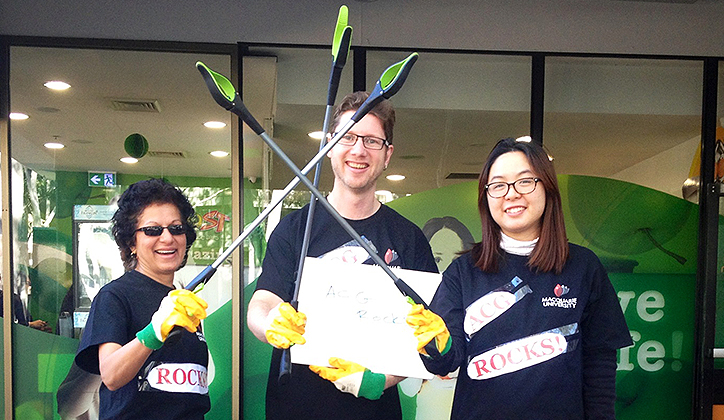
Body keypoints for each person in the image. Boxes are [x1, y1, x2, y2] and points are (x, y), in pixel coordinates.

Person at [406, 137, 632, 420]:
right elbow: (444, 363)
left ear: (547, 188)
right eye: (498, 185)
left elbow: (599, 364)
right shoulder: (463, 272)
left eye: (525, 181)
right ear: (486, 197)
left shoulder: (584, 268)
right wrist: (435, 345)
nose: (511, 194)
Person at [247, 91, 438, 420]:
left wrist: (382, 381)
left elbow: (431, 335)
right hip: (294, 408)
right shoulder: (295, 229)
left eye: (372, 141)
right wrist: (271, 324)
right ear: (331, 144)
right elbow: (261, 304)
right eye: (348, 137)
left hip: (374, 412)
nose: (358, 149)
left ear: (387, 154)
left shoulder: (409, 239)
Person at [75, 178, 210, 420]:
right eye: (152, 230)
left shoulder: (182, 301)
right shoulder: (114, 296)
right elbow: (112, 375)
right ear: (131, 242)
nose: (167, 238)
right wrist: (154, 332)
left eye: (176, 228)